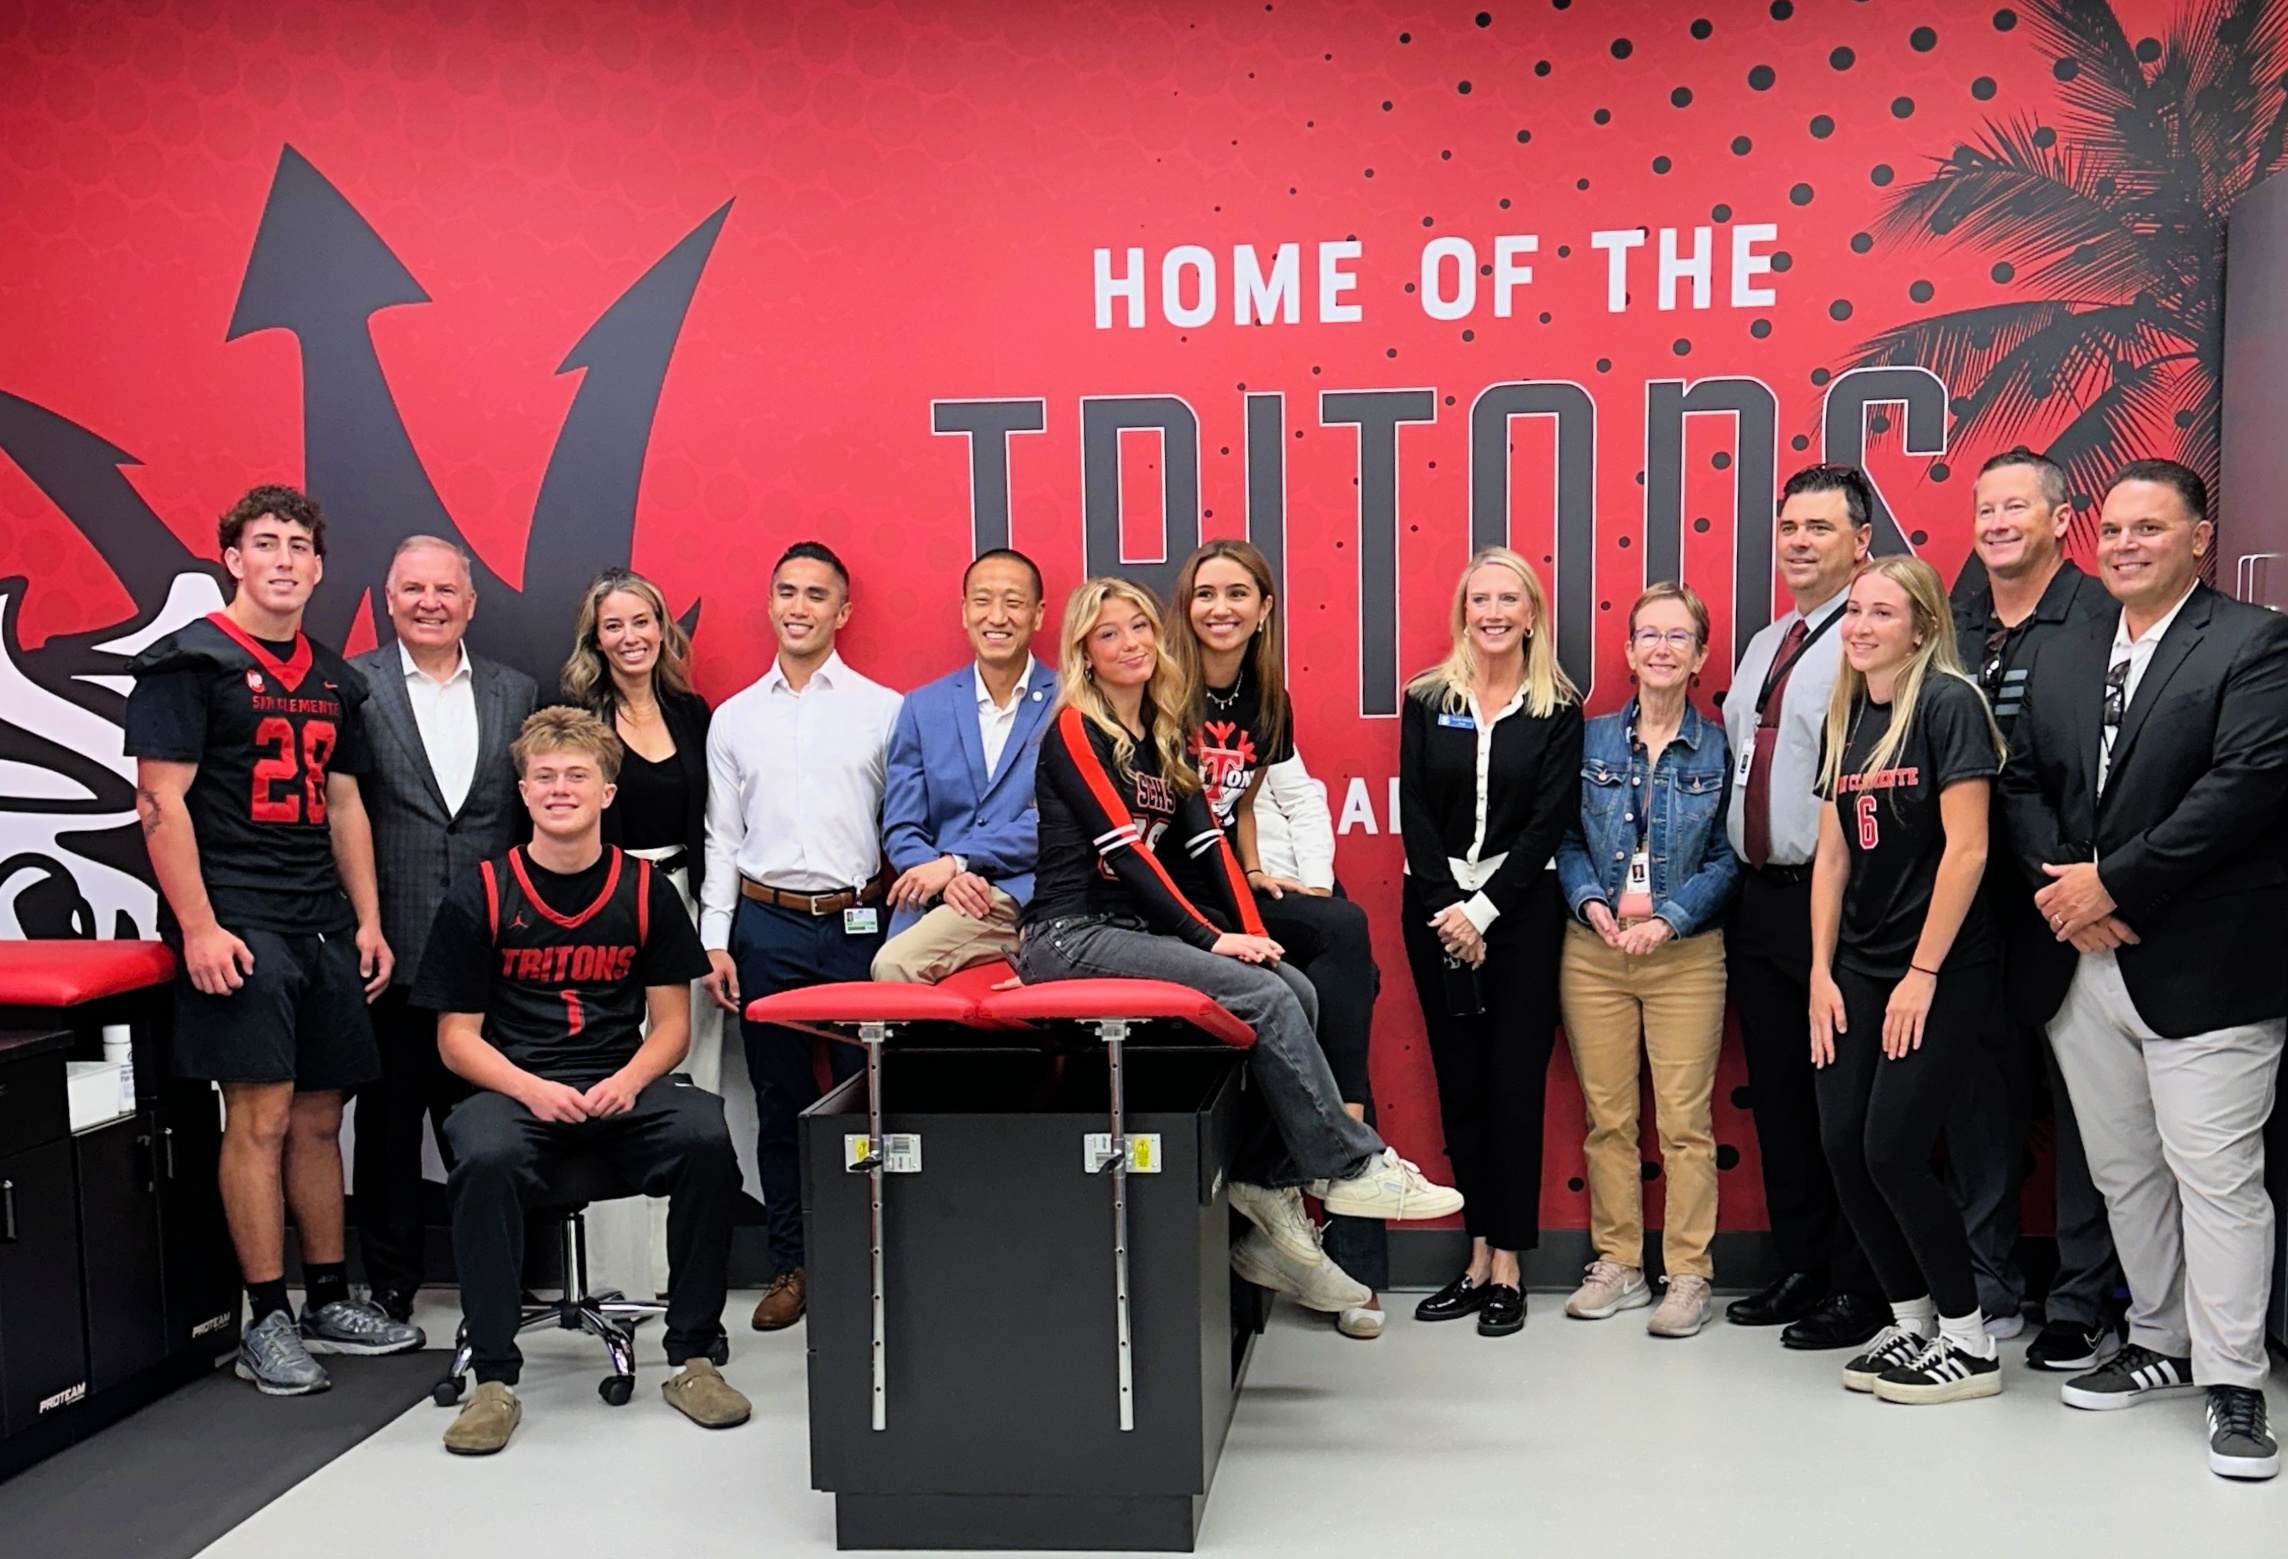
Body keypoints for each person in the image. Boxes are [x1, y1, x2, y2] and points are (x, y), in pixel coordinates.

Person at [1015, 578, 1462, 1284]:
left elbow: (1208, 845)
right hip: (1068, 936)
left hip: (1125, 929)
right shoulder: (1077, 727)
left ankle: (1264, 1175)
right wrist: (1211, 939)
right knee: (1266, 996)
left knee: (1295, 987)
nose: (1130, 643)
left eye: (1139, 626)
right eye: (1108, 634)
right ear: (1085, 653)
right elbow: (1124, 852)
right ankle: (1350, 1165)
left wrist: (1259, 938)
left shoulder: (1163, 731)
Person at [2000, 459, 2288, 1480]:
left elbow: (2244, 786)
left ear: (2198, 539)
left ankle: (2234, 1380)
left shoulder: (2252, 643)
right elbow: (2021, 780)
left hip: (2205, 964)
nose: (2124, 545)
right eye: (2114, 529)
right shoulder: (2068, 647)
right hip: (2080, 964)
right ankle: (2160, 1338)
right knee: (2124, 1171)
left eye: (2149, 528)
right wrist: (2067, 894)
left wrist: (2112, 885)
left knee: (2216, 1176)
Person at [126, 484, 424, 1396]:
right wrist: (199, 925)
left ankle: (328, 1295)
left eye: (299, 545)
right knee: (257, 1115)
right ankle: (266, 1316)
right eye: (266, 543)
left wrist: (367, 918)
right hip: (239, 916)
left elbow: (345, 803)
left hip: (319, 917)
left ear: (320, 566)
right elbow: (159, 801)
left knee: (321, 1116)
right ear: (233, 558)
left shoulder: (335, 677)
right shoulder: (190, 662)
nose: (284, 559)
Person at [414, 708, 747, 1455]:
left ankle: (693, 1358)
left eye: (576, 775)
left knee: (704, 1134)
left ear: (606, 792)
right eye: (544, 777)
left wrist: (629, 1081)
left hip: (617, 1084)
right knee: (484, 1154)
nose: (559, 788)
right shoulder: (482, 892)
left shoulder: (645, 889)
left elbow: (672, 1027)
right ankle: (493, 1380)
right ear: (524, 793)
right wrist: (530, 1089)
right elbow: (455, 1040)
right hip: (517, 1089)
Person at [1167, 540, 1391, 1336]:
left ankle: (1325, 1172)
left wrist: (1260, 871)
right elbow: (1172, 815)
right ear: (1185, 605)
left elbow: (1243, 799)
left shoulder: (1266, 697)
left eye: (1238, 593)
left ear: (1265, 608)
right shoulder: (1162, 687)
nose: (1219, 607)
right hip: (1176, 895)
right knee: (1331, 956)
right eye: (1205, 593)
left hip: (1232, 880)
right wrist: (1235, 890)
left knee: (1342, 945)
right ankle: (1341, 1153)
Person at [1807, 556, 2007, 1404]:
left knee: (1892, 1148)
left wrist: (1922, 972)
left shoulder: (1949, 703)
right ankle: (1912, 1319)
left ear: (1922, 626)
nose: (1860, 626)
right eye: (1855, 610)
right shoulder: (1848, 708)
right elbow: (1832, 855)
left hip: (1942, 964)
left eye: (1882, 613)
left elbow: (1969, 849)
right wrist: (1820, 972)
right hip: (1857, 963)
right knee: (1842, 1146)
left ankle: (1970, 1340)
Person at [1944, 450, 2121, 1370]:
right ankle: (1988, 1283)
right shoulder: (1956, 619)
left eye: (2017, 506)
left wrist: (2078, 884)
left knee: (2088, 1108)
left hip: (2070, 897)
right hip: (1970, 904)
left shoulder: (2102, 616)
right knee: (1979, 1102)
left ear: (2062, 519)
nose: (1998, 523)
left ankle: (2084, 1298)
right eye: (1986, 508)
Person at [699, 541, 902, 1332]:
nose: (799, 606)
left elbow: (903, 826)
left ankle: (869, 1262)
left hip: (860, 925)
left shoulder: (883, 710)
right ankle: (794, 1263)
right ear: (769, 602)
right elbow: (722, 836)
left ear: (842, 612)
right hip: (767, 925)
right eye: (787, 590)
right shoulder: (734, 718)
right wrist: (717, 937)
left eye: (817, 594)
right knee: (780, 1101)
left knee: (867, 1101)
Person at [1719, 465, 1889, 1352]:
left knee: (1843, 1102)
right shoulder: (1767, 641)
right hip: (1759, 898)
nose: (1799, 541)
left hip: (1838, 900)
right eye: (1790, 526)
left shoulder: (1871, 636)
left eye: (1819, 527)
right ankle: (1803, 1265)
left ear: (1861, 542)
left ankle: (1862, 1283)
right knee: (1781, 1099)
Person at [348, 535, 537, 1324]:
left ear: (471, 602)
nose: (430, 602)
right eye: (414, 589)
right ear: (388, 599)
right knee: (388, 1129)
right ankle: (391, 1282)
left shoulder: (516, 692)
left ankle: (503, 1278)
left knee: (492, 1127)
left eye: (446, 589)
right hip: (390, 949)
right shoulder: (351, 687)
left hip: (493, 958)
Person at [1399, 546, 1582, 1338]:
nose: (1494, 612)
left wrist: (1483, 913)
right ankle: (1475, 1257)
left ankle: (1509, 1262)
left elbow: (1548, 823)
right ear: (1463, 611)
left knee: (1514, 1087)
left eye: (1509, 599)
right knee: (1462, 1087)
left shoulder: (1558, 708)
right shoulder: (1425, 697)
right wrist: (1450, 908)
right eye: (1481, 599)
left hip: (1521, 914)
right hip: (1434, 911)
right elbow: (1415, 810)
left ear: (1532, 613)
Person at [1554, 582, 1740, 1338]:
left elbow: (1729, 857)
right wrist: (1589, 901)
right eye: (1649, 636)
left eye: (1678, 637)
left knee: (1686, 1122)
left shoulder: (1721, 748)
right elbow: (1566, 839)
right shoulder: (1589, 740)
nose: (1662, 649)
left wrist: (1668, 919)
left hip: (1685, 956)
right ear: (1628, 653)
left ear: (1699, 657)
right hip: (1594, 951)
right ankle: (1620, 1263)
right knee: (1608, 1119)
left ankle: (1689, 1273)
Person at [561, 568, 717, 1299]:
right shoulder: (577, 714)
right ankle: (619, 1276)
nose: (630, 637)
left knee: (689, 1073)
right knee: (615, 1072)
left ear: (663, 629)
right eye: (614, 626)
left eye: (642, 621)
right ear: (596, 639)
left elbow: (711, 823)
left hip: (682, 899)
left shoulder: (690, 712)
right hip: (606, 910)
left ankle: (677, 1271)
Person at [872, 548, 1055, 983]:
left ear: (1038, 615)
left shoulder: (1069, 703)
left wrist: (961, 862)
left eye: (1013, 602)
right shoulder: (923, 707)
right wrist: (944, 876)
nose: (997, 616)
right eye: (982, 601)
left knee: (896, 965)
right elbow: (901, 824)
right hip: (938, 895)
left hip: (1029, 893)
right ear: (964, 612)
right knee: (890, 972)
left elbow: (1057, 819)